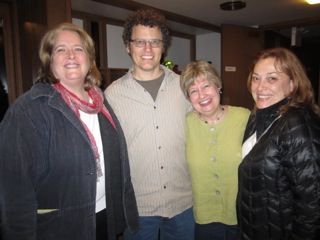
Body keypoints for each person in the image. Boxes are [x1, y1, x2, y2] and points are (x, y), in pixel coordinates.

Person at [0, 22, 138, 240]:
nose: (71, 55)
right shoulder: (28, 110)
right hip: (60, 228)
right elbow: (14, 192)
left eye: (78, 49)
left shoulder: (101, 102)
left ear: (90, 59)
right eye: (61, 49)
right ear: (49, 60)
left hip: (103, 218)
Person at [105, 8, 194, 240]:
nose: (147, 49)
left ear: (164, 46)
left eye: (155, 42)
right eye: (140, 42)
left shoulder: (184, 86)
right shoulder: (112, 95)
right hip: (138, 209)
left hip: (183, 203)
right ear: (127, 46)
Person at [237, 47, 320, 240]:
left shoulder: (298, 125)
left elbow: (313, 205)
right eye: (256, 78)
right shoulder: (258, 116)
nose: (260, 87)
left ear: (292, 84)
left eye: (272, 78)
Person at [180, 60, 250, 240]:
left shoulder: (243, 117)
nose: (201, 94)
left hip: (241, 216)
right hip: (205, 217)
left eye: (206, 86)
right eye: (193, 91)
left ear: (218, 86)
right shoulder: (184, 124)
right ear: (189, 99)